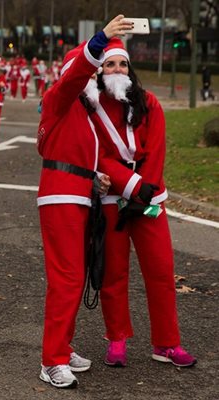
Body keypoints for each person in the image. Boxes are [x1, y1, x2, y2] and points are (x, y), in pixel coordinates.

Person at [35, 15, 130, 389]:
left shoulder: (84, 109)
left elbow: (71, 152)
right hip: (60, 196)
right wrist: (100, 40)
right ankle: (51, 360)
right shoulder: (62, 94)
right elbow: (76, 73)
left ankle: (61, 345)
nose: (92, 79)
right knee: (67, 278)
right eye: (89, 72)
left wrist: (95, 177)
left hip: (76, 193)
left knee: (73, 277)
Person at [90, 38, 197, 369]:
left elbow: (156, 148)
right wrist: (131, 186)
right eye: (110, 64)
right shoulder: (92, 109)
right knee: (113, 273)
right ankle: (117, 339)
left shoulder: (149, 103)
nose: (117, 70)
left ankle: (166, 344)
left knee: (162, 271)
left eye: (122, 64)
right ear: (100, 70)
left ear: (129, 68)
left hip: (150, 199)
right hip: (112, 199)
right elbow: (101, 156)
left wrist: (143, 191)